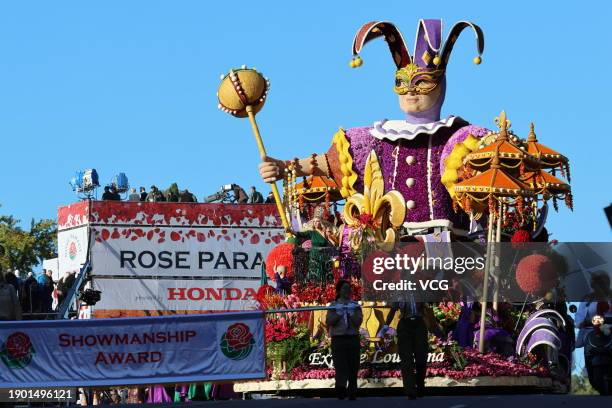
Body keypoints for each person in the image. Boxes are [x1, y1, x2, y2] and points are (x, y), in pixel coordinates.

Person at [258, 19, 489, 240]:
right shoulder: (374, 139)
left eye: (422, 81)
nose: (410, 91)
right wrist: (283, 167)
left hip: (447, 253)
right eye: (401, 82)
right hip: (387, 250)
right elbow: (327, 163)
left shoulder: (458, 138)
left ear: (441, 84)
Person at [381, 298, 430, 399]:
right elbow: (393, 310)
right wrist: (385, 327)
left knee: (421, 358)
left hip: (419, 324)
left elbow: (427, 309)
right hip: (405, 325)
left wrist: (433, 325)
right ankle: (410, 390)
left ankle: (420, 385)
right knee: (406, 359)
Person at [325, 279, 363, 400]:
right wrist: (339, 313)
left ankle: (352, 392)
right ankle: (340, 390)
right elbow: (329, 321)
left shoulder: (355, 305)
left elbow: (358, 322)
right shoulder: (333, 305)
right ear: (339, 291)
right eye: (344, 288)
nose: (347, 291)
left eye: (348, 288)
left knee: (353, 366)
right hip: (338, 339)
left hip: (352, 338)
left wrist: (351, 314)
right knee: (341, 366)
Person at [575, 271, 612, 388]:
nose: (600, 285)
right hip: (590, 333)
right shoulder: (587, 299)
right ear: (592, 285)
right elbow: (578, 320)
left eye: (602, 282)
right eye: (596, 282)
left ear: (608, 283)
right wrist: (585, 322)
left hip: (611, 331)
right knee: (589, 348)